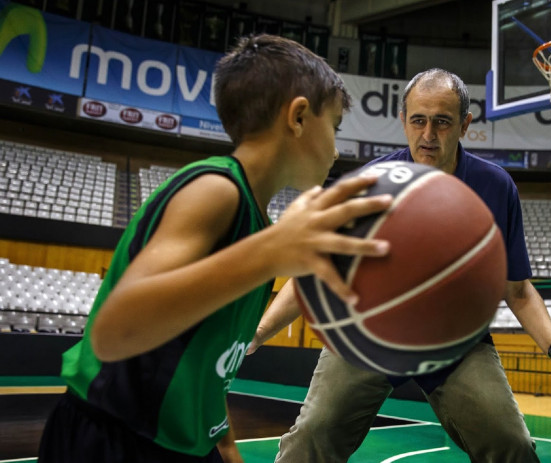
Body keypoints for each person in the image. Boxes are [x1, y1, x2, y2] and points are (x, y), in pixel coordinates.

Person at [36, 34, 393, 463]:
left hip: (185, 442)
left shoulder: (256, 222)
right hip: (114, 438)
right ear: (298, 117)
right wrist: (270, 252)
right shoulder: (216, 191)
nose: (336, 149)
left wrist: (224, 443)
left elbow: (204, 357)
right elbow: (115, 330)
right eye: (333, 127)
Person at [250, 68, 551, 462]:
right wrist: (258, 331)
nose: (428, 135)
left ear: (465, 125)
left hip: (456, 340)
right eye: (419, 120)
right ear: (403, 120)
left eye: (442, 122)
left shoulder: (494, 187)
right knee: (311, 436)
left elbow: (517, 289)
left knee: (512, 446)